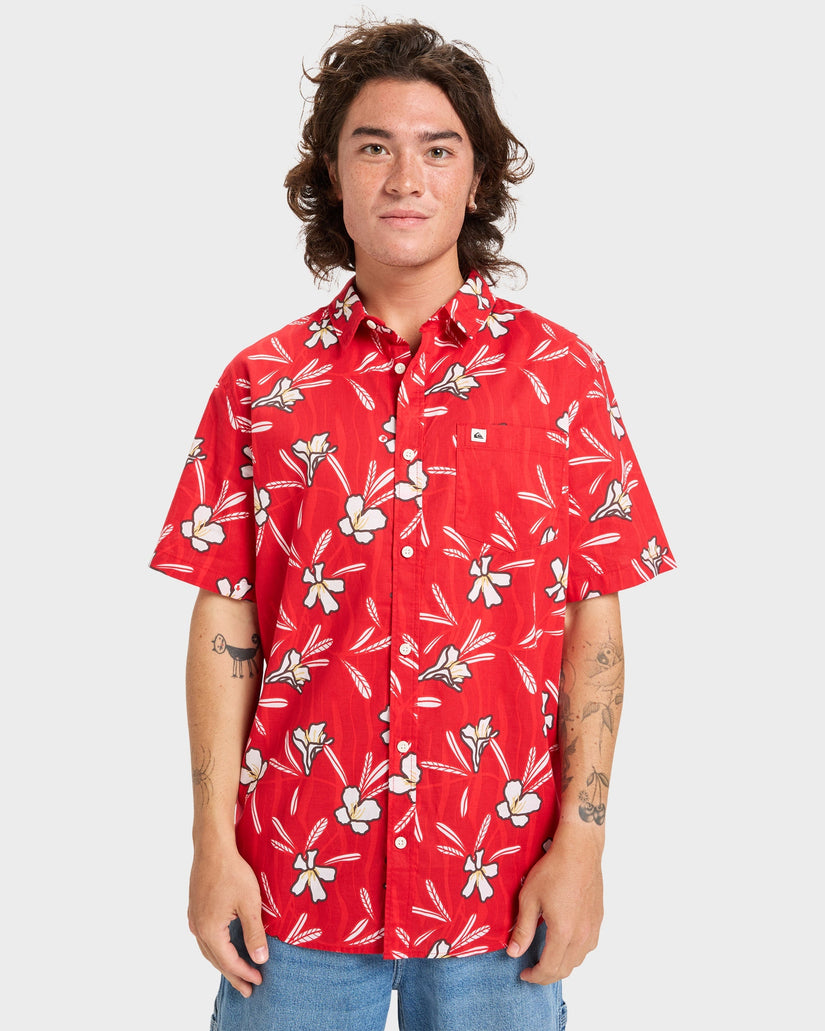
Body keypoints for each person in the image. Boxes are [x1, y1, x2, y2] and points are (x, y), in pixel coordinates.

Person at [151, 19, 675, 1031]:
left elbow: (592, 625)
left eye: (438, 148)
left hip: (501, 893)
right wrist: (212, 842)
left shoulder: (563, 378)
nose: (405, 177)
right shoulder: (261, 385)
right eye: (373, 146)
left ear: (476, 181)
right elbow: (226, 624)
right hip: (293, 885)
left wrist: (583, 845)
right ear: (332, 176)